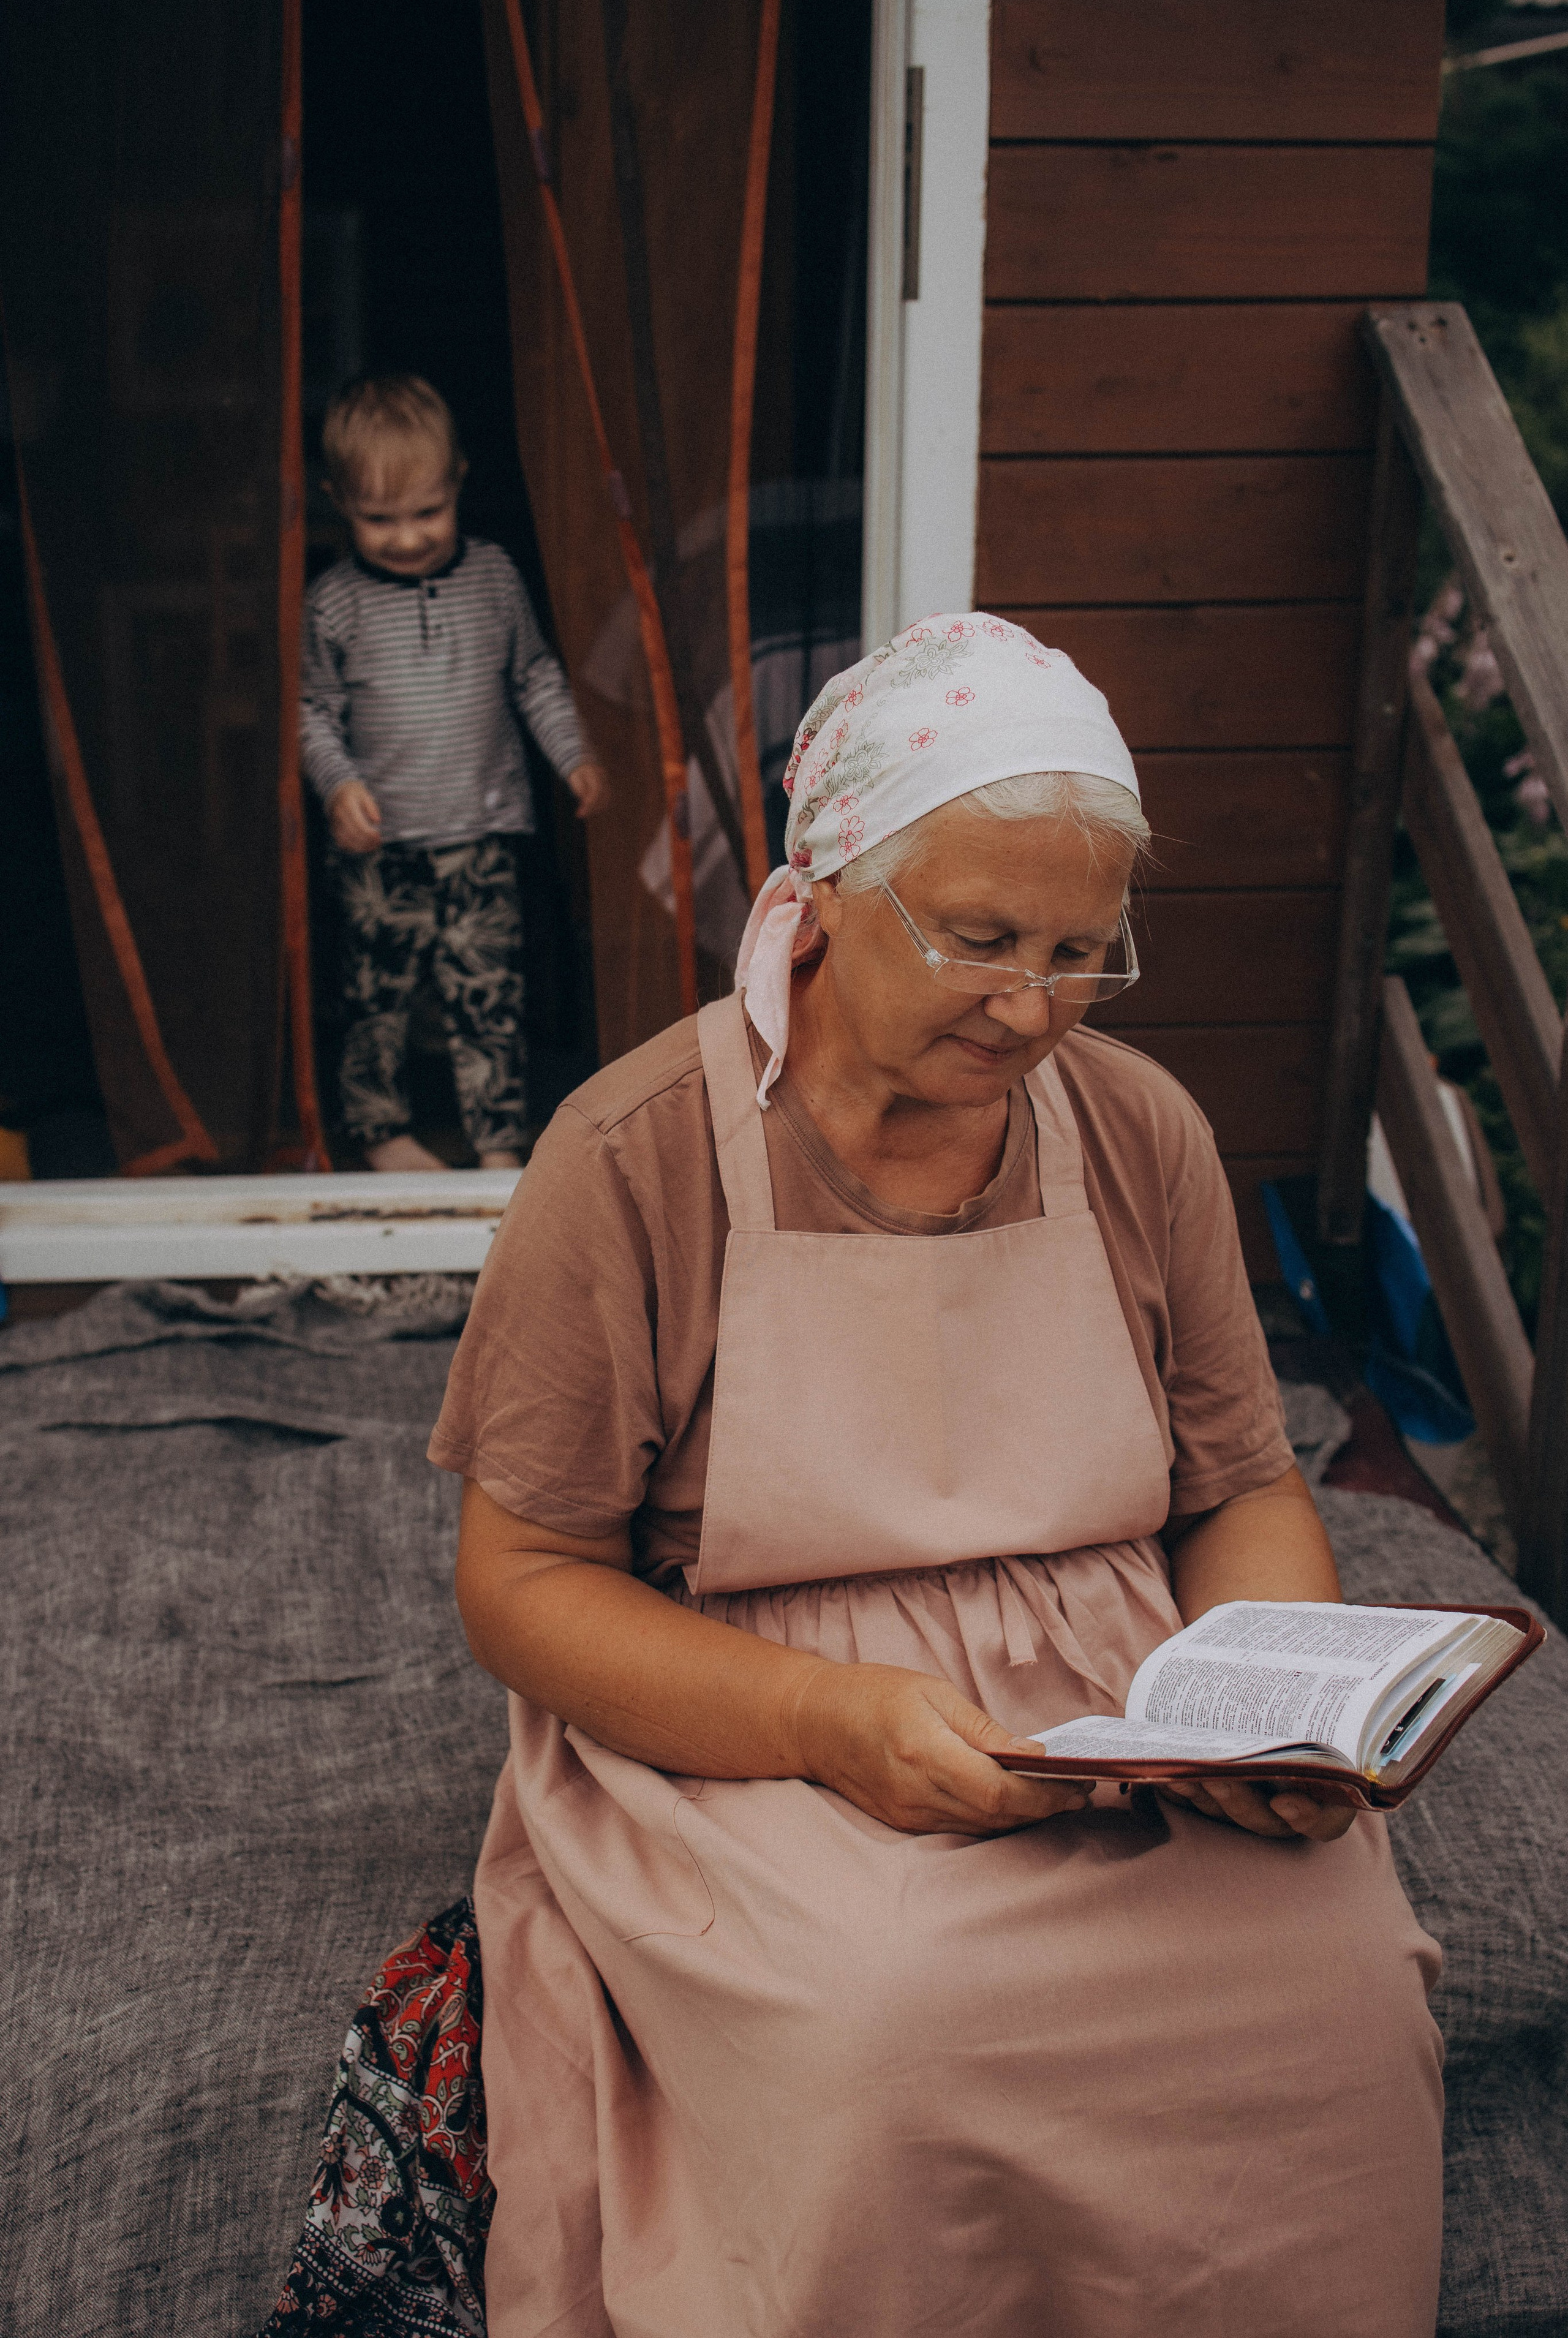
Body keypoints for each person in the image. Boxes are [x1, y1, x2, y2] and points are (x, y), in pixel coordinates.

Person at [432, 617, 1444, 2337]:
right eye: (980, 941)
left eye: (1082, 953)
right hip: (760, 1725)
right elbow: (522, 1585)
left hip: (1114, 1715)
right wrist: (838, 1727)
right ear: (818, 890)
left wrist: (1265, 1708)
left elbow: (1240, 1482)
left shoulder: (1139, 1131)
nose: (1035, 1005)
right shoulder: (632, 1158)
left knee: (1345, 1994)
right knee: (890, 2031)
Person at [301, 374, 610, 1171]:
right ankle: (380, 1130)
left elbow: (535, 676)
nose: (407, 538)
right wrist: (337, 785)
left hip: (480, 831)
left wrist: (572, 755)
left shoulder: (494, 576)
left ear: (458, 482)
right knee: (378, 997)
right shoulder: (334, 604)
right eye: (378, 519)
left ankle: (497, 1140)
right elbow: (311, 712)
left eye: (426, 513)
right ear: (336, 500)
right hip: (382, 847)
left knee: (488, 995)